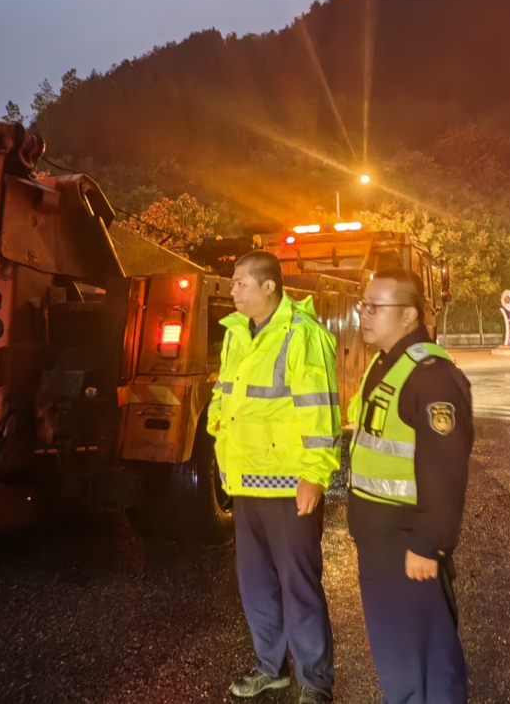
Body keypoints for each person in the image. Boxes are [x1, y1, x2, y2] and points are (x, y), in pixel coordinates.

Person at [208, 250, 342, 704]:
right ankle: (272, 668)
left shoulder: (303, 336)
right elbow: (225, 395)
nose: (232, 290)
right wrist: (218, 433)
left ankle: (315, 682)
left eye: (240, 282)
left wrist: (315, 475)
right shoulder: (236, 336)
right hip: (246, 483)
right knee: (256, 585)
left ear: (269, 287)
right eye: (232, 282)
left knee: (299, 586)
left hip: (290, 486)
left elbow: (320, 411)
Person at [347, 267, 473, 704]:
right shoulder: (387, 364)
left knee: (427, 650)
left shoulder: (431, 375)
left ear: (408, 315)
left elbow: (446, 466)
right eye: (364, 305)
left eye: (375, 307)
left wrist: (428, 541)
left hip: (408, 543)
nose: (364, 314)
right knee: (397, 648)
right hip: (381, 541)